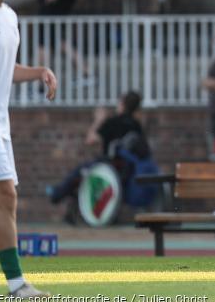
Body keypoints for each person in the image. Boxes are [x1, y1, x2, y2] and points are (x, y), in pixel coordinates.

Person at [0, 0, 57, 298]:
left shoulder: (10, 17)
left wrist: (40, 71)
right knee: (6, 195)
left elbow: (4, 70)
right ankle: (17, 286)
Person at [46, 91, 149, 219]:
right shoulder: (136, 125)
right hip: (127, 169)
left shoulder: (112, 122)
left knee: (80, 171)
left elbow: (90, 140)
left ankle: (56, 194)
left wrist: (98, 120)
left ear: (122, 104)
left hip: (109, 165)